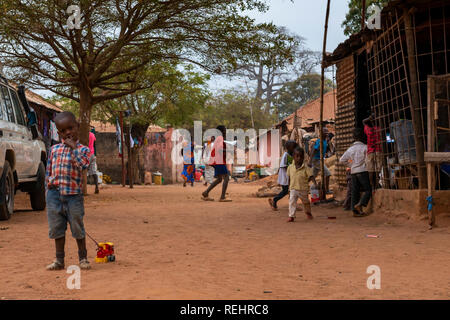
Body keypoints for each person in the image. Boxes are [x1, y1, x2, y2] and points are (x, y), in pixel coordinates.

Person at [45, 111, 91, 270]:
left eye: (70, 128)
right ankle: (59, 260)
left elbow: (84, 165)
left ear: (78, 127)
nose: (68, 133)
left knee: (77, 226)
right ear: (59, 133)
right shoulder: (54, 149)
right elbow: (48, 170)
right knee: (56, 227)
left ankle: (83, 258)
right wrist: (48, 188)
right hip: (54, 195)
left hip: (73, 196)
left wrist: (74, 149)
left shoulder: (84, 150)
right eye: (63, 131)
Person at [339, 128, 372, 217]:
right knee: (368, 190)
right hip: (363, 171)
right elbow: (368, 160)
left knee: (354, 191)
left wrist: (351, 165)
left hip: (353, 172)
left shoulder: (350, 149)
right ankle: (360, 204)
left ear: (353, 138)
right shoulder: (365, 147)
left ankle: (354, 211)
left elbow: (342, 160)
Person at [201, 125, 231, 202]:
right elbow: (220, 150)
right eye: (224, 130)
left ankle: (206, 192)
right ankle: (222, 197)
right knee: (226, 177)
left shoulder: (218, 138)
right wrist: (228, 150)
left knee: (219, 179)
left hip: (215, 161)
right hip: (218, 161)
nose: (225, 132)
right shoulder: (220, 138)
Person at [286, 146, 315, 222]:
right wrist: (289, 188)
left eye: (301, 156)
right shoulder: (290, 167)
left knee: (306, 202)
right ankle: (291, 216)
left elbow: (311, 176)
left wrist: (315, 184)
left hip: (303, 189)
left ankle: (308, 212)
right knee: (292, 202)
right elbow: (289, 178)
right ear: (293, 157)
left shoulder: (306, 167)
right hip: (293, 188)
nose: (299, 158)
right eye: (297, 156)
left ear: (303, 157)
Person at [268, 140, 298, 211]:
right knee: (285, 191)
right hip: (285, 176)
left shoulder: (292, 155)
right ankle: (274, 200)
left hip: (291, 175)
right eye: (293, 147)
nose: (294, 149)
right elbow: (283, 166)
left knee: (293, 190)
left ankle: (293, 205)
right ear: (288, 148)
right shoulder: (285, 155)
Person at [309, 128, 332, 194]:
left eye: (327, 132)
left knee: (312, 176)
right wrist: (310, 161)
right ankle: (327, 190)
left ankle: (302, 186)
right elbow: (314, 150)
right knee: (328, 174)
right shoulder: (319, 141)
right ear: (321, 133)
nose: (326, 133)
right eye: (325, 132)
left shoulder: (325, 141)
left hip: (319, 159)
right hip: (316, 160)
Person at [363, 114, 382, 190]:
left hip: (370, 151)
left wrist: (369, 118)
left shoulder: (368, 129)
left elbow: (363, 121)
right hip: (378, 151)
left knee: (370, 169)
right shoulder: (379, 129)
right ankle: (377, 184)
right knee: (378, 168)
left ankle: (371, 185)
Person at [88, 127, 99, 194]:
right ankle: (96, 187)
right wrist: (95, 154)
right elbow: (94, 145)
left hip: (86, 154)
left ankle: (81, 189)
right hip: (92, 154)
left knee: (82, 170)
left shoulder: (82, 135)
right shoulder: (92, 135)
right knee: (94, 171)